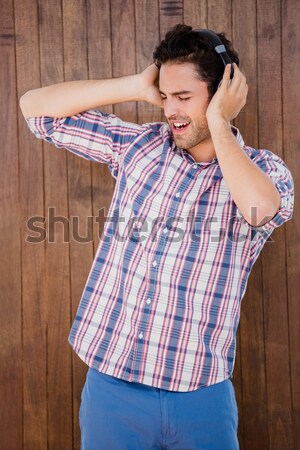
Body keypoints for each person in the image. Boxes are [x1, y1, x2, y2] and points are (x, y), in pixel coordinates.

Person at [20, 24, 294, 450]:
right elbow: (34, 109)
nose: (171, 110)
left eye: (184, 97)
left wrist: (219, 121)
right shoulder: (140, 146)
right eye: (166, 96)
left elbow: (260, 210)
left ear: (223, 92)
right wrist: (136, 85)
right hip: (112, 387)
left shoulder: (265, 171)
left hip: (200, 392)